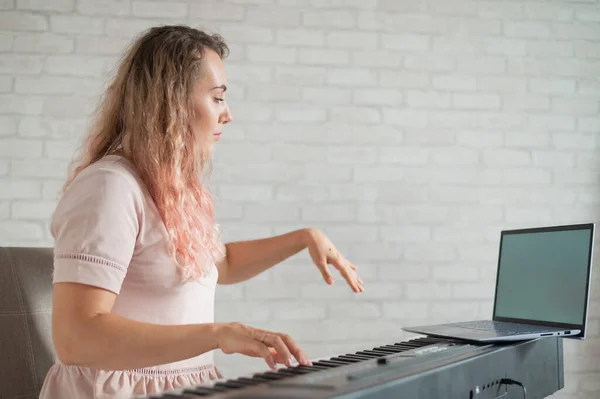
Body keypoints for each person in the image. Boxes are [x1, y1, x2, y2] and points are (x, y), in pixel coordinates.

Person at [38, 25, 364, 399]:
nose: (228, 115)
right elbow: (77, 339)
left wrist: (305, 237)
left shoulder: (170, 188)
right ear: (171, 102)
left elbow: (219, 265)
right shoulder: (109, 187)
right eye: (217, 98)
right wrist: (220, 334)